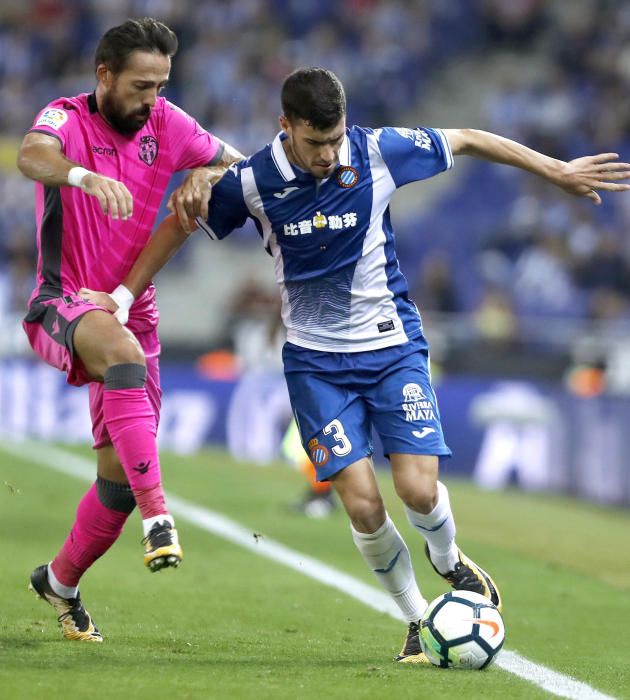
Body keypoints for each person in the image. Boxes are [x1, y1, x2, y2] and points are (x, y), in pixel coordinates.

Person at [82, 68, 630, 661]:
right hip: (315, 365)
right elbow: (177, 224)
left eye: (334, 139)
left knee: (419, 491)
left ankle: (449, 561)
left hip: (392, 348)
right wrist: (122, 297)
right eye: (315, 143)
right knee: (364, 504)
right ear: (284, 127)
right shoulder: (252, 181)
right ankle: (418, 620)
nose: (328, 154)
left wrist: (558, 170)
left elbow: (469, 136)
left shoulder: (376, 151)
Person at [17, 17, 243, 643]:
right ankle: (161, 515)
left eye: (162, 84)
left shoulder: (168, 124)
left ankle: (60, 583)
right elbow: (30, 155)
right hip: (62, 302)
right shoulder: (65, 118)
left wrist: (209, 173)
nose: (153, 98)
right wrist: (83, 176)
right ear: (104, 75)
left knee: (114, 485)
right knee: (121, 359)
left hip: (133, 312)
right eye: (142, 85)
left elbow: (245, 169)